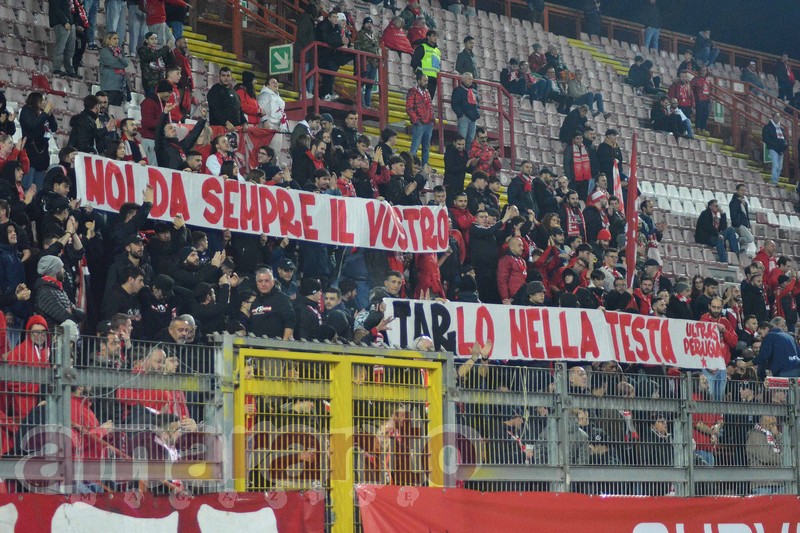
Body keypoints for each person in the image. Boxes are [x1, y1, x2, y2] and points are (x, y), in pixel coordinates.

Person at [19, 93, 58, 191]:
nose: (44, 103)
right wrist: (44, 113)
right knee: (27, 186)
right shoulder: (26, 110)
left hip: (42, 153)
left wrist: (50, 114)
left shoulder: (43, 114)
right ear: (35, 100)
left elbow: (54, 128)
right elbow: (32, 125)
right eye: (42, 100)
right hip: (31, 153)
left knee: (39, 189)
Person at [249, 266, 295, 340]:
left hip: (276, 347)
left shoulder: (282, 299)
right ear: (256, 283)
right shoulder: (255, 302)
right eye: (260, 281)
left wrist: (285, 345)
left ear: (273, 282)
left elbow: (290, 321)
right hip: (256, 347)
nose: (263, 284)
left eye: (266, 281)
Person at [316, 9, 349, 101]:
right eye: (334, 17)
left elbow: (336, 39)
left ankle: (327, 94)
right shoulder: (323, 25)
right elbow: (326, 39)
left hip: (331, 55)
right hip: (321, 54)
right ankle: (325, 94)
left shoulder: (337, 28)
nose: (336, 19)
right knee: (328, 74)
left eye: (337, 17)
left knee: (331, 74)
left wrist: (343, 42)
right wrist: (340, 42)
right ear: (329, 18)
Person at [746, 415, 784, 495]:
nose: (775, 427)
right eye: (772, 424)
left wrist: (778, 435)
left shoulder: (773, 436)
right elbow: (766, 458)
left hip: (777, 481)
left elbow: (785, 449)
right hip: (762, 484)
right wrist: (783, 459)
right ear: (766, 424)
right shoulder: (755, 436)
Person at [406, 70, 434, 168]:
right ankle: (411, 165)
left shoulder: (427, 92)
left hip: (428, 123)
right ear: (418, 81)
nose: (426, 82)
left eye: (427, 80)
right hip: (420, 123)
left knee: (426, 147)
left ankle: (424, 166)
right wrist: (416, 120)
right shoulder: (413, 92)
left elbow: (430, 107)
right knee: (415, 146)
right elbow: (409, 107)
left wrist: (432, 119)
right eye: (424, 80)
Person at [353, 17, 380, 108]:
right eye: (367, 23)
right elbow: (357, 47)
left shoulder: (374, 35)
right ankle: (361, 104)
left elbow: (377, 47)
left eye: (370, 23)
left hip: (373, 63)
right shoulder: (360, 34)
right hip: (365, 61)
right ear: (364, 24)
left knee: (370, 85)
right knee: (361, 83)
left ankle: (367, 104)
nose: (369, 25)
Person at [99, 32, 130, 106]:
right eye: (114, 39)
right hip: (109, 86)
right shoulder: (104, 51)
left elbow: (127, 63)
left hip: (120, 87)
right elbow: (113, 63)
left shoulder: (120, 51)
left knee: (116, 110)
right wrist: (122, 63)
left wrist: (119, 57)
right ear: (108, 40)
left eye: (117, 39)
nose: (117, 41)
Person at [137, 31, 171, 97]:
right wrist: (166, 48)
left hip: (160, 82)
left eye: (156, 39)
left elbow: (169, 62)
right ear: (146, 40)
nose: (154, 41)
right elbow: (152, 56)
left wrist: (169, 51)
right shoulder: (142, 50)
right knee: (151, 101)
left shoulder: (158, 51)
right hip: (150, 82)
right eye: (152, 39)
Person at [410, 30, 441, 100]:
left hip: (434, 78)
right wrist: (419, 74)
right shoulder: (422, 47)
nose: (435, 38)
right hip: (424, 77)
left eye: (436, 36)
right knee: (421, 99)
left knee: (429, 99)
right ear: (428, 37)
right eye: (433, 36)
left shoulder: (438, 51)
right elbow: (414, 61)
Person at [50, 0, 78, 77]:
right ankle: (56, 68)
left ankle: (70, 69)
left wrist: (75, 22)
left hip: (71, 22)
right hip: (60, 23)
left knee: (70, 49)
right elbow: (56, 8)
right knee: (60, 47)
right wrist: (64, 21)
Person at [452, 72, 480, 147]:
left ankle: (467, 156)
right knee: (462, 139)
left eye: (472, 79)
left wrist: (477, 114)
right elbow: (454, 104)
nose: (471, 81)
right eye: (469, 79)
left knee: (471, 139)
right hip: (464, 118)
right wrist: (461, 115)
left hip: (473, 119)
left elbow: (477, 104)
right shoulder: (458, 90)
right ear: (463, 79)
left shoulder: (474, 92)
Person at [563, 131, 592, 201]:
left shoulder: (585, 148)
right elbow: (566, 163)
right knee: (573, 196)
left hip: (584, 178)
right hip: (574, 178)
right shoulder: (569, 148)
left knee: (584, 197)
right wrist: (569, 177)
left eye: (581, 138)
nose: (579, 140)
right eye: (577, 138)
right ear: (573, 139)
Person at [729, 183, 755, 257]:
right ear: (737, 191)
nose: (743, 192)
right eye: (741, 190)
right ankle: (738, 240)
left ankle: (741, 254)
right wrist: (738, 224)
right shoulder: (734, 202)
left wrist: (748, 225)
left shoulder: (744, 202)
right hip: (739, 226)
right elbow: (733, 215)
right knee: (750, 238)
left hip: (744, 225)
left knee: (745, 241)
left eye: (744, 190)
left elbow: (746, 215)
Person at [762, 112, 788, 185]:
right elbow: (765, 138)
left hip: (781, 149)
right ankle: (774, 181)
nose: (778, 118)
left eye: (779, 117)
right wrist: (774, 144)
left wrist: (785, 145)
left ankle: (776, 181)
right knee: (775, 165)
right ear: (773, 117)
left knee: (780, 167)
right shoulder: (768, 127)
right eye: (776, 117)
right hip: (773, 148)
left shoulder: (781, 128)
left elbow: (784, 138)